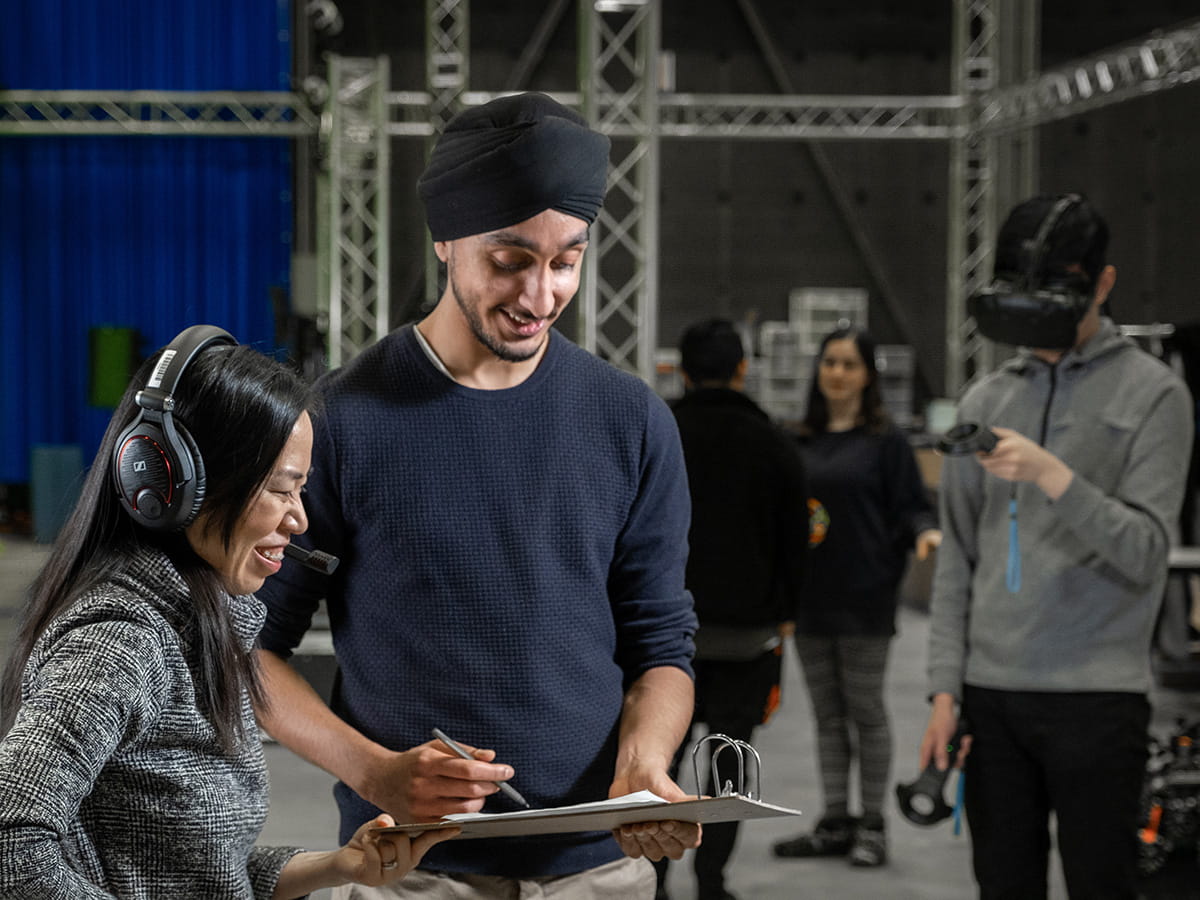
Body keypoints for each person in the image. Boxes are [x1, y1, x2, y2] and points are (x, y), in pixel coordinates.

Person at [253, 91, 700, 899]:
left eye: (566, 260)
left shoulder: (631, 421)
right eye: (510, 259)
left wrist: (644, 763)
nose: (539, 296)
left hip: (598, 871)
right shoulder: (342, 422)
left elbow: (661, 644)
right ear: (447, 241)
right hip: (411, 871)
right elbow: (246, 649)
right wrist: (378, 771)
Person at [0, 325, 456, 899]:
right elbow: (10, 838)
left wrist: (342, 865)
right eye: (279, 489)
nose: (299, 521)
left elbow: (198, 875)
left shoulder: (203, 627)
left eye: (302, 490)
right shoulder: (121, 643)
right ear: (174, 484)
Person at [919, 193, 1194, 899]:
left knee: (1101, 881)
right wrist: (945, 690)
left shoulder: (1156, 396)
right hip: (993, 698)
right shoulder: (987, 398)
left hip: (1098, 699)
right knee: (1003, 883)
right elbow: (959, 560)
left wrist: (1052, 476)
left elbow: (1145, 552)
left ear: (1103, 283)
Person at [772, 326, 940, 868]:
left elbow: (912, 505)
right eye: (829, 363)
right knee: (826, 714)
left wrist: (924, 535)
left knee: (864, 711)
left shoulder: (886, 442)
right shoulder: (798, 439)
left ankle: (873, 824)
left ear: (867, 375)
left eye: (848, 364)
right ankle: (835, 820)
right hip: (810, 600)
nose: (837, 373)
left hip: (866, 598)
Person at [654, 319, 809, 900]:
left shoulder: (660, 430)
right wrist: (785, 616)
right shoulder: (774, 442)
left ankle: (658, 880)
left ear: (684, 371)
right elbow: (796, 540)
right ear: (744, 369)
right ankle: (713, 882)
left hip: (667, 640)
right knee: (728, 764)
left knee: (659, 758)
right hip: (748, 638)